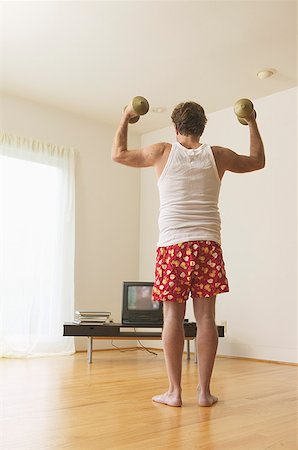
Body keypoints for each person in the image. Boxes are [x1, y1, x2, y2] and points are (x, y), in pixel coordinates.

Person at [111, 100, 265, 407]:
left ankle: (175, 393)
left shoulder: (162, 152)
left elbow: (118, 154)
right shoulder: (218, 155)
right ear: (202, 126)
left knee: (172, 316)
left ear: (175, 127)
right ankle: (204, 393)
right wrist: (252, 122)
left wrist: (127, 117)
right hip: (208, 244)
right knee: (206, 317)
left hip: (172, 247)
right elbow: (257, 160)